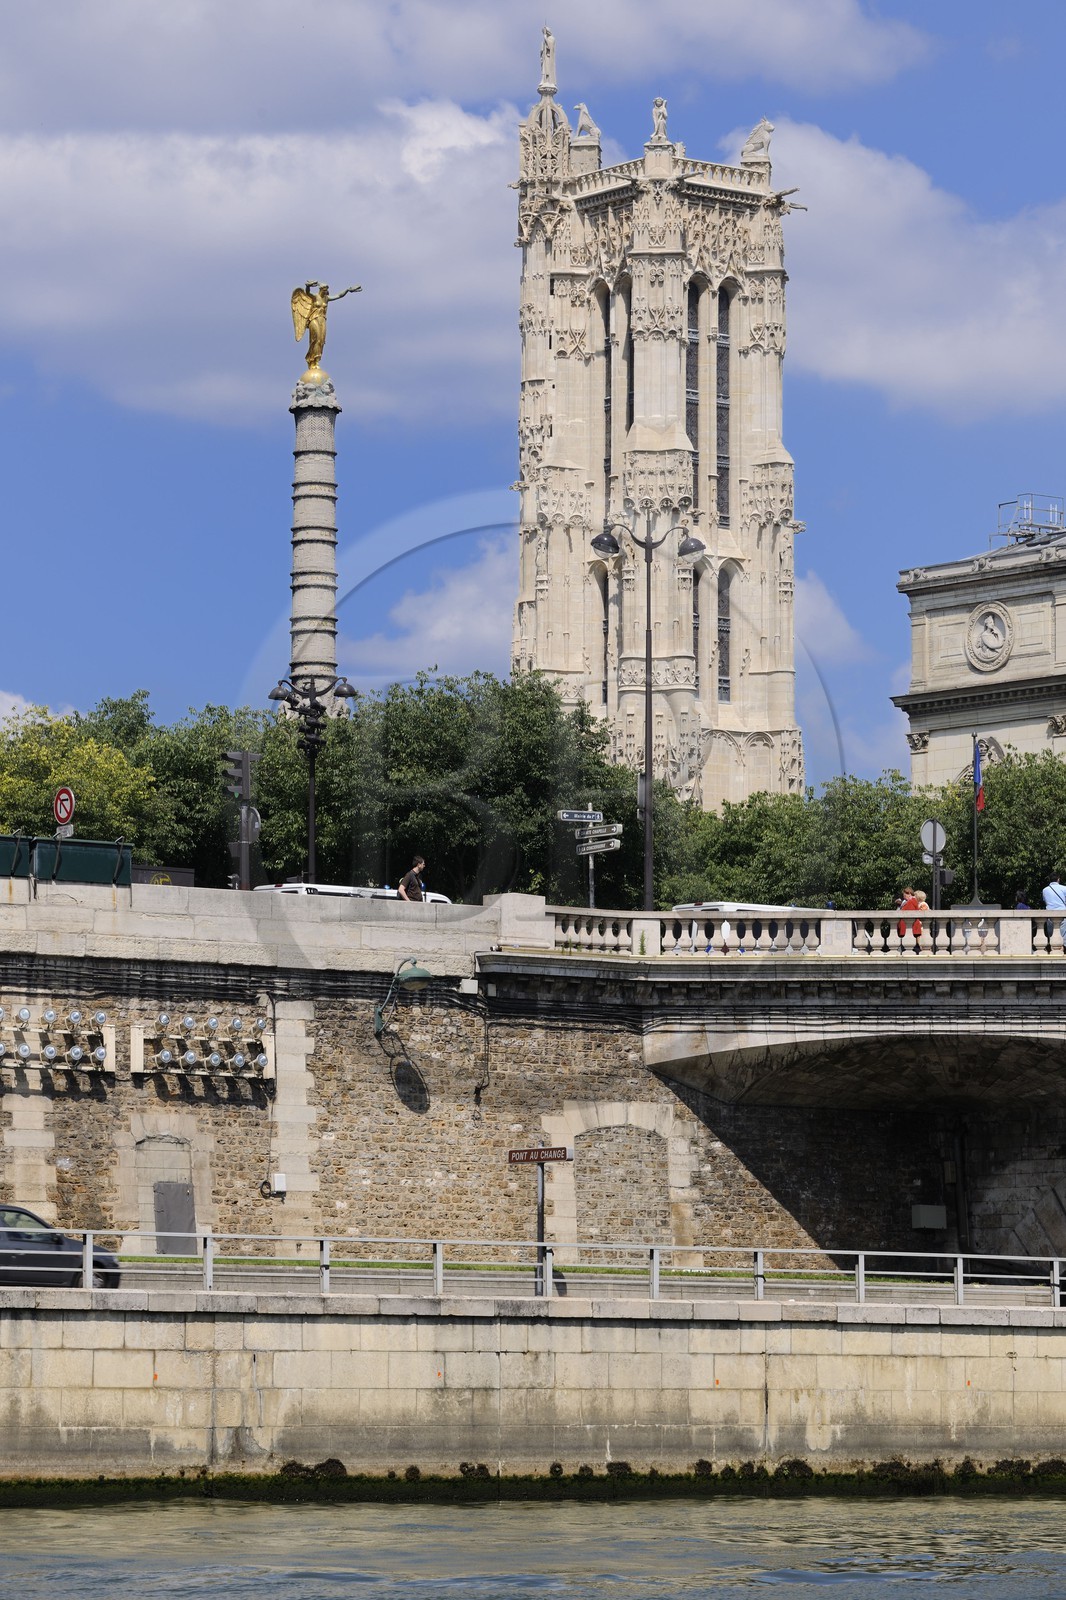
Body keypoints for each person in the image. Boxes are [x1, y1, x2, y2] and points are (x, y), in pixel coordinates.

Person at [1042, 871, 1066, 947]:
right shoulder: (1064, 888)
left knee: (1052, 937)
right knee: (1063, 938)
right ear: (1058, 879)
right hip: (1063, 916)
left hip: (1050, 916)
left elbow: (1046, 901)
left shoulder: (1045, 890)